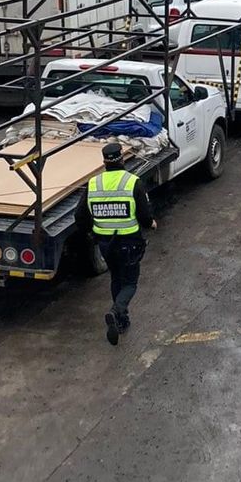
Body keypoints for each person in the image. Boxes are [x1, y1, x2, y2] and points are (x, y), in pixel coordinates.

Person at [78, 140, 157, 343]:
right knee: (130, 282)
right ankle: (117, 311)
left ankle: (121, 321)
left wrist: (91, 233)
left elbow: (80, 217)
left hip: (105, 244)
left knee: (116, 278)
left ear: (104, 162)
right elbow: (144, 214)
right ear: (122, 159)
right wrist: (151, 224)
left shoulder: (93, 184)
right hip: (129, 242)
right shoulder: (132, 182)